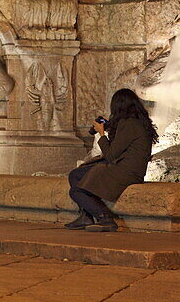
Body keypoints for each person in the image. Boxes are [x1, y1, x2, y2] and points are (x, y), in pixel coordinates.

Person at [66, 88, 157, 232]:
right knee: (75, 175)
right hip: (128, 170)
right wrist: (111, 127)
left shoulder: (129, 124)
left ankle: (106, 218)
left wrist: (102, 134)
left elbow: (111, 155)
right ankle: (86, 216)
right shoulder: (136, 122)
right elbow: (120, 148)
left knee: (76, 191)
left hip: (125, 172)